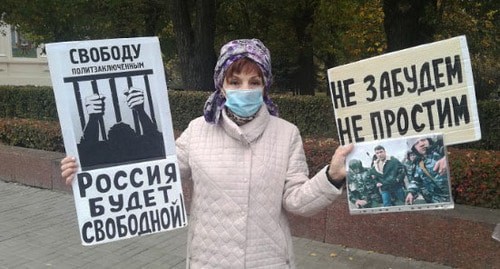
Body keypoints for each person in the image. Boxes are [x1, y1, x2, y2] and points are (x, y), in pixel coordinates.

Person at [60, 38, 353, 268]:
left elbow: (297, 201)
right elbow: (155, 178)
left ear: (265, 85)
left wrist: (331, 176)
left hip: (269, 261)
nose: (245, 89)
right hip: (208, 261)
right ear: (221, 85)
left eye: (254, 82)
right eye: (235, 81)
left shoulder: (286, 133)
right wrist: (88, 174)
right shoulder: (198, 131)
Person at [405, 136, 450, 204]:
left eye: (423, 140)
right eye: (416, 143)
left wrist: (446, 158)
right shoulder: (418, 163)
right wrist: (411, 192)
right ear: (414, 148)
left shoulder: (439, 149)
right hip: (435, 201)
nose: (421, 144)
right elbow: (416, 180)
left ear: (428, 140)